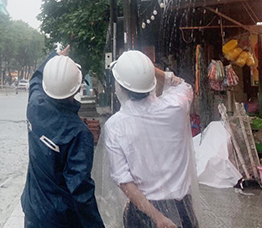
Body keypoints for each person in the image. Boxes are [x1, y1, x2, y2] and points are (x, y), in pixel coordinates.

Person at [104, 50, 197, 228]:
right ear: (151, 81)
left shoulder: (115, 126)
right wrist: (151, 71)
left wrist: (158, 218)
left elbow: (124, 181)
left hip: (143, 214)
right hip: (183, 209)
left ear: (121, 87)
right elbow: (183, 85)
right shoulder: (176, 107)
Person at [21, 45, 105, 228]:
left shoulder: (35, 106)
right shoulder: (78, 133)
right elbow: (81, 191)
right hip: (61, 219)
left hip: (33, 211)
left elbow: (35, 79)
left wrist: (54, 56)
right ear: (76, 90)